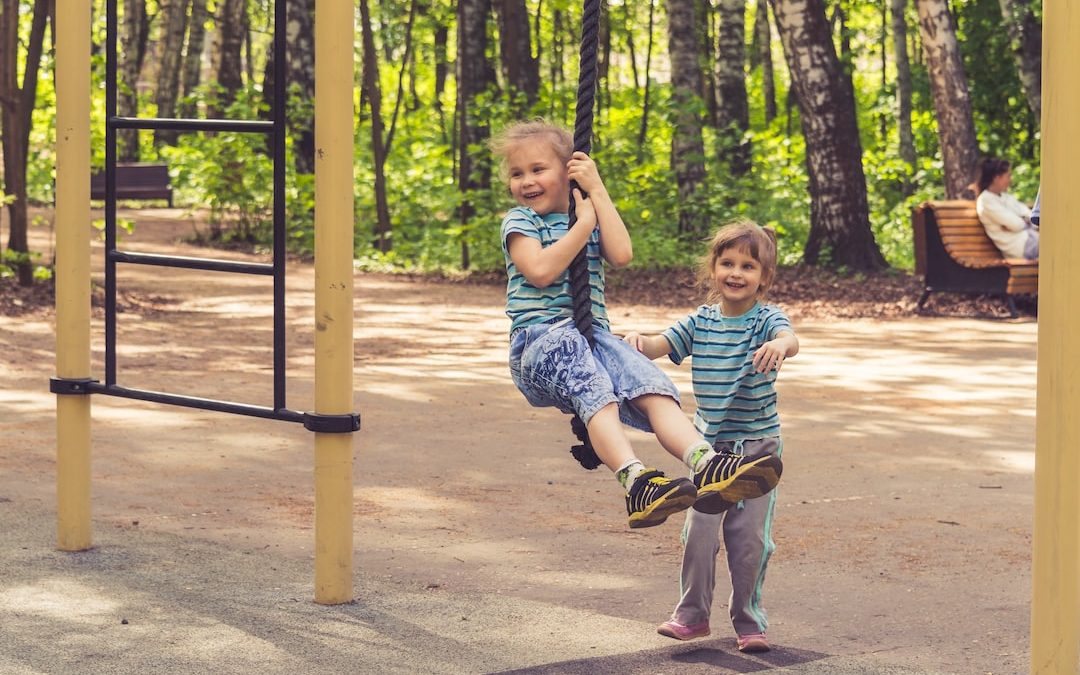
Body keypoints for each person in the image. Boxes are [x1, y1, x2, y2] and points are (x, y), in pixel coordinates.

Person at [491, 120, 782, 530]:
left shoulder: (585, 213)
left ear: (570, 171)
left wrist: (597, 192)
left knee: (651, 385)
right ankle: (635, 480)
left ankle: (707, 463)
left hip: (590, 337)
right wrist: (583, 227)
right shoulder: (521, 222)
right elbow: (539, 271)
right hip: (540, 341)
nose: (526, 181)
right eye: (517, 174)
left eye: (538, 169)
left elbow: (622, 253)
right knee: (597, 393)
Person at [623, 220, 798, 653]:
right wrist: (631, 342)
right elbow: (658, 344)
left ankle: (748, 620)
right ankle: (692, 615)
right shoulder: (700, 321)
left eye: (748, 266)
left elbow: (789, 337)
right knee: (698, 533)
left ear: (764, 278)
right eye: (727, 263)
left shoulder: (766, 320)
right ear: (713, 268)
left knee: (749, 542)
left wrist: (781, 345)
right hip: (708, 452)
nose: (736, 273)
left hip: (757, 450)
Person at [975, 157, 1039, 260]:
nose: (1011, 180)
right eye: (1008, 176)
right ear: (996, 178)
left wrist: (1024, 221)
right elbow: (1016, 224)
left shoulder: (1006, 197)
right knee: (1054, 245)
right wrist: (1023, 221)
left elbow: (1030, 216)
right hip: (1020, 247)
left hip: (1031, 238)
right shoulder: (985, 201)